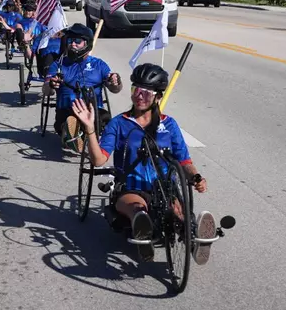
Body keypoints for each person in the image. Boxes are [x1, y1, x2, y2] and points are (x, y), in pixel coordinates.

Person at [71, 63, 217, 265]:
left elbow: (184, 161)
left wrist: (195, 177)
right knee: (138, 208)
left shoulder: (169, 125)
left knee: (178, 214)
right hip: (131, 187)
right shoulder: (119, 123)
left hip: (165, 188)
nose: (139, 96)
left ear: (158, 97)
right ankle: (143, 231)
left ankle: (195, 238)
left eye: (146, 93)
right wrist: (89, 129)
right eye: (135, 90)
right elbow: (98, 160)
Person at [42, 23, 122, 152]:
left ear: (87, 44)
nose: (72, 44)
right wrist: (51, 84)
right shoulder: (58, 65)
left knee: (106, 118)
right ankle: (74, 133)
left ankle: (85, 135)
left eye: (77, 41)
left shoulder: (99, 65)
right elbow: (46, 91)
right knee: (69, 120)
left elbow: (115, 89)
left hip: (94, 111)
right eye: (70, 40)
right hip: (67, 110)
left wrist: (115, 82)